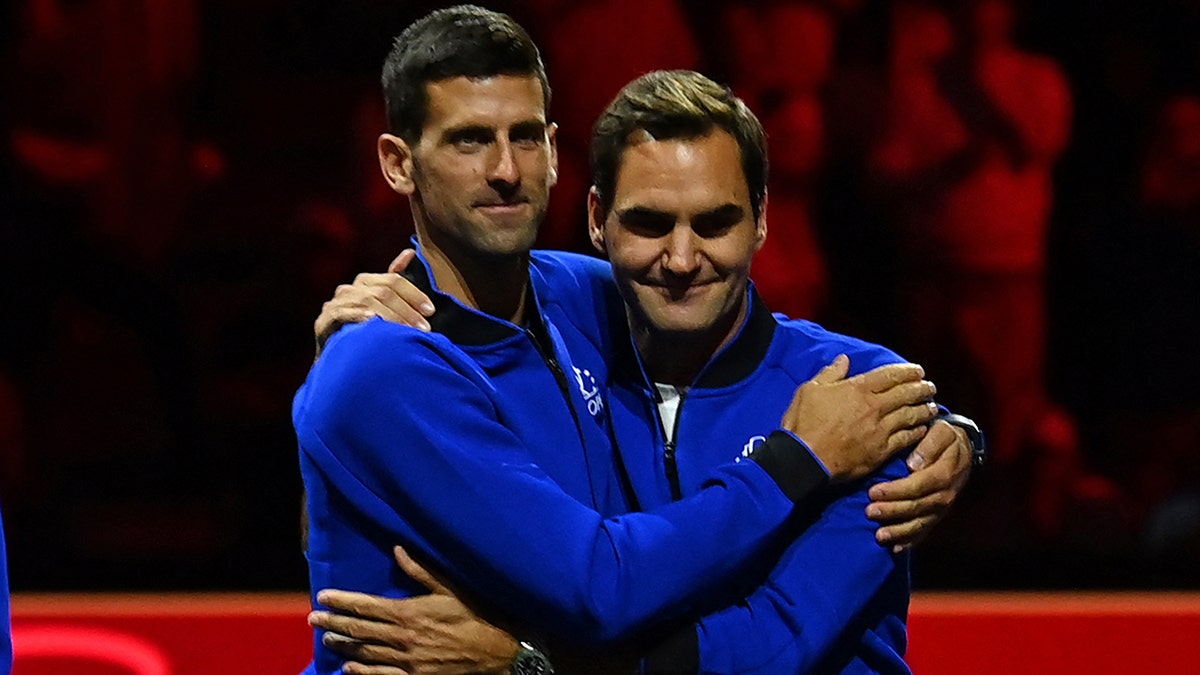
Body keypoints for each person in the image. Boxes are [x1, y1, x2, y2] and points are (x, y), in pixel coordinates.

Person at [296, 7, 974, 674]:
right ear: (397, 163)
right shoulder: (382, 360)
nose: (679, 260)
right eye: (469, 140)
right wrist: (797, 462)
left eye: (526, 137)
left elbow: (778, 643)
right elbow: (602, 588)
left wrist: (956, 436)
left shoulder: (582, 300)